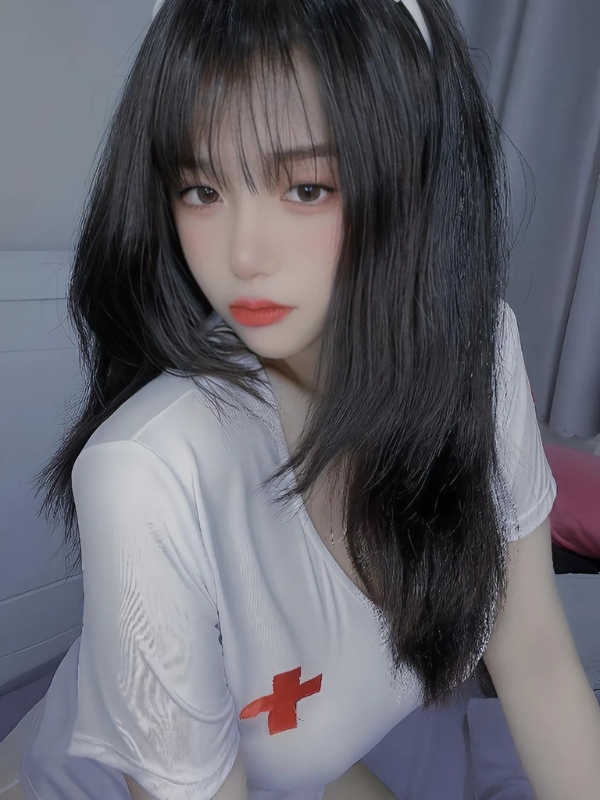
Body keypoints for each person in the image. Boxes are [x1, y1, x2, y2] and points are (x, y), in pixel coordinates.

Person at [4, 0, 599, 797]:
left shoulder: (481, 353)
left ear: (416, 178)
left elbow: (533, 652)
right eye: (201, 190)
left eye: (307, 187)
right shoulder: (146, 469)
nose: (243, 255)